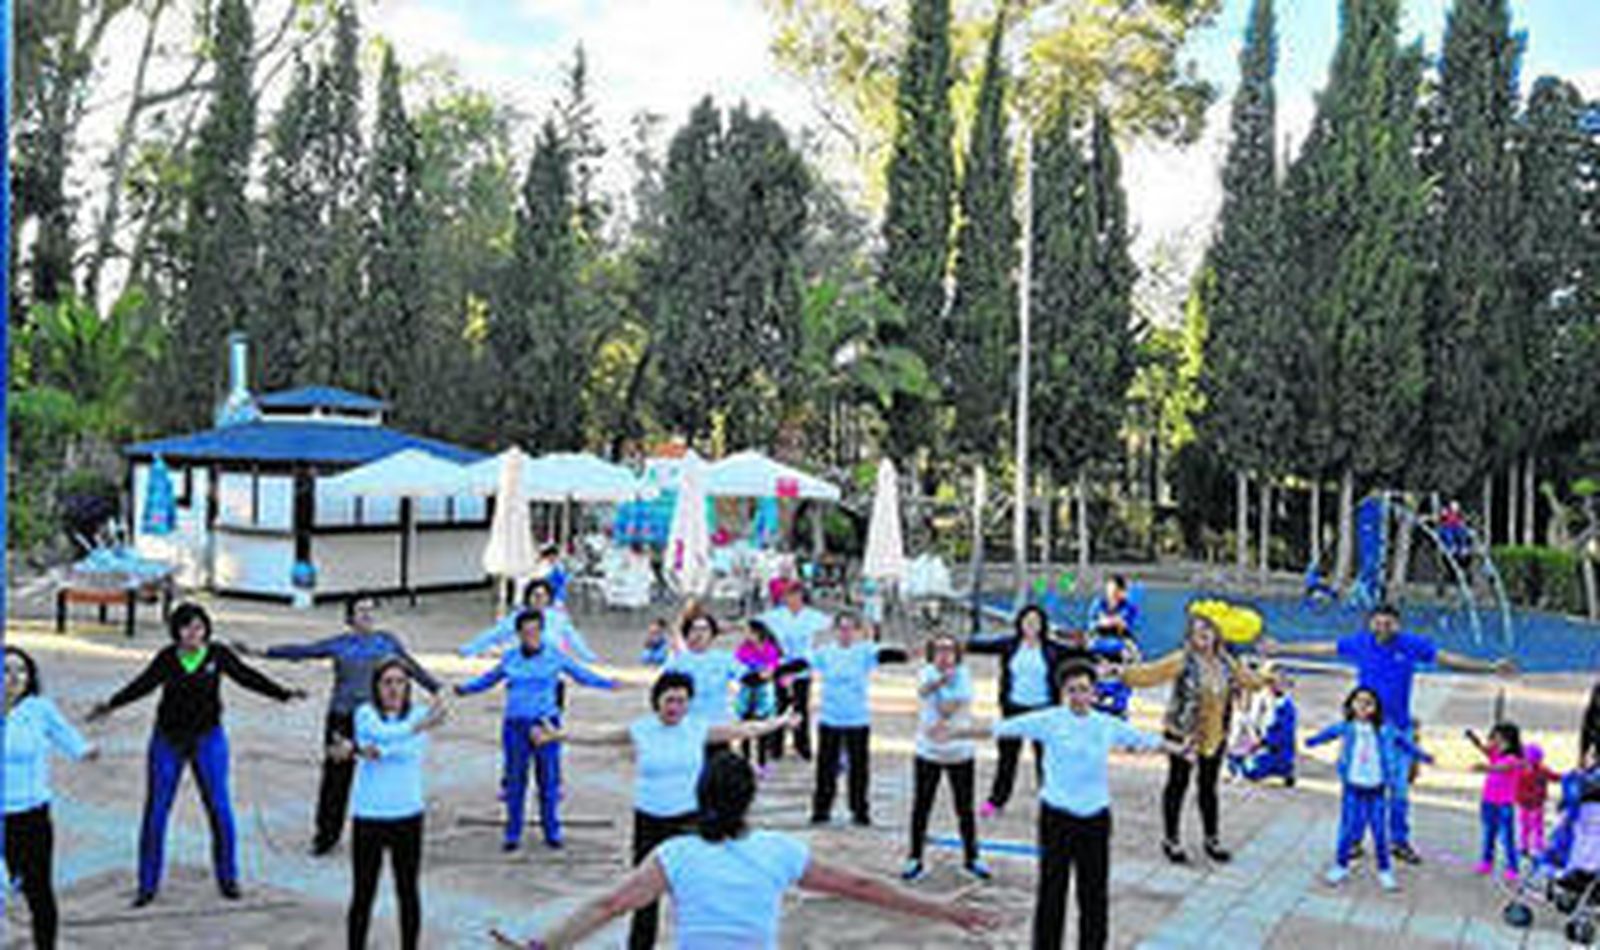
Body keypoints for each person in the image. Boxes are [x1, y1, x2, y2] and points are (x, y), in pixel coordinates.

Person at [490, 753, 998, 949]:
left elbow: (608, 905)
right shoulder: (777, 852)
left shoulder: (677, 854)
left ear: (700, 796)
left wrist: (543, 947)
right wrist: (942, 910)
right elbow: (860, 886)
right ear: (749, 799)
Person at [542, 672, 798, 950]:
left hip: (689, 822)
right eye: (670, 700)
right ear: (657, 701)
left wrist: (780, 722)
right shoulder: (641, 729)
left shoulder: (698, 729)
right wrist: (560, 734)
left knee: (693, 889)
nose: (675, 707)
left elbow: (744, 730)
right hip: (648, 821)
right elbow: (599, 736)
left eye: (682, 701)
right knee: (643, 896)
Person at [939, 662, 1171, 949]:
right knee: (1052, 891)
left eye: (1084, 689)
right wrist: (954, 732)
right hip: (1057, 818)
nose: (1078, 695)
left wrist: (1177, 749)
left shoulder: (1106, 724)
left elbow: (1144, 740)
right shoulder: (1049, 720)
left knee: (1093, 894)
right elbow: (1002, 728)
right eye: (1071, 690)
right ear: (1063, 692)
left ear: (1094, 693)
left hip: (1095, 819)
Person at [88, 602, 306, 906]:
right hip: (168, 741)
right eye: (187, 627)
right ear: (176, 631)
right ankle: (147, 885)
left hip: (208, 740)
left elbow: (246, 676)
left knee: (220, 810)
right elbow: (143, 685)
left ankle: (228, 879)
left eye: (200, 627)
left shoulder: (217, 654)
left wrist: (283, 693)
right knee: (156, 813)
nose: (194, 633)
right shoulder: (167, 658)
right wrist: (111, 704)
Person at [1265, 602, 1516, 864]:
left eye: (1388, 623)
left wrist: (1489, 667)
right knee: (1359, 788)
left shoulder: (1410, 645)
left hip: (1397, 731)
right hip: (1364, 731)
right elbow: (1322, 648)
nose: (1383, 628)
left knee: (1398, 791)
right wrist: (1282, 648)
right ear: (1370, 623)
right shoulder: (1360, 643)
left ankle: (1399, 841)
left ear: (1398, 624)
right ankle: (1353, 841)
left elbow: (1447, 658)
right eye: (1378, 622)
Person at [236, 594, 444, 856]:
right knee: (336, 779)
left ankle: (385, 832)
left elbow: (409, 666)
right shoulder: (339, 644)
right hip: (342, 717)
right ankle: (326, 836)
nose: (367, 615)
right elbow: (302, 652)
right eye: (361, 611)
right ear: (350, 618)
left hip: (375, 720)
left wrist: (435, 688)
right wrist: (261, 651)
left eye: (371, 610)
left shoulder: (387, 641)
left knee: (382, 772)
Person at [454, 608, 617, 850]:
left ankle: (551, 831)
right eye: (525, 631)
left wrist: (607, 683)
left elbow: (580, 674)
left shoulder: (554, 655)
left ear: (542, 631)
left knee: (548, 780)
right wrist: (466, 689)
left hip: (546, 725)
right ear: (518, 634)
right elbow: (489, 678)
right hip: (515, 726)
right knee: (515, 781)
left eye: (535, 630)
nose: (531, 635)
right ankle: (513, 833)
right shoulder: (510, 658)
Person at [1123, 608, 1269, 864]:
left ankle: (1212, 839)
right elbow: (1149, 674)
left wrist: (1269, 678)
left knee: (1208, 788)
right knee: (1177, 785)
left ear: (1216, 634)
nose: (1203, 635)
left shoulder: (1225, 661)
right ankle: (1171, 840)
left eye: (1208, 630)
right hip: (1184, 734)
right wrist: (1119, 673)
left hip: (1215, 734)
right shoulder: (1182, 660)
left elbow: (1247, 680)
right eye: (1197, 630)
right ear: (1190, 635)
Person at [342, 658, 450, 950]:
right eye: (387, 682)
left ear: (408, 686)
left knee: (408, 892)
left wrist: (379, 747)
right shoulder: (364, 714)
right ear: (376, 686)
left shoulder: (417, 714)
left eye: (400, 682)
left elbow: (394, 749)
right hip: (369, 816)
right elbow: (379, 739)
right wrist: (418, 728)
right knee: (363, 894)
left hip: (407, 815)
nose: (393, 689)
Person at [5, 646, 99, 948]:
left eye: (21, 670)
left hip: (31, 815)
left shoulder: (39, 709)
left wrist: (84, 750)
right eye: (5, 670)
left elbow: (66, 735)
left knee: (39, 891)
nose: (14, 677)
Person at [1306, 686, 1431, 892]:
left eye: (1369, 703)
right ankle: (1340, 865)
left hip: (1376, 791)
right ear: (1351, 705)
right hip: (1353, 789)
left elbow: (1405, 743)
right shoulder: (1347, 727)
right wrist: (1312, 741)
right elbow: (1328, 733)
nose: (1363, 706)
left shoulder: (1385, 729)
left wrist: (1423, 756)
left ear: (1375, 708)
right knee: (1347, 830)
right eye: (1359, 701)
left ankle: (1384, 870)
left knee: (1379, 832)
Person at [966, 605, 1082, 817]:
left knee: (1046, 761)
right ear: (1020, 623)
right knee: (1007, 760)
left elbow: (1081, 654)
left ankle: (1052, 802)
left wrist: (1109, 656)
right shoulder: (1010, 645)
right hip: (1014, 710)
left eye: (1036, 622)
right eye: (1027, 621)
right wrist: (953, 645)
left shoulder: (1052, 649)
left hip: (1044, 713)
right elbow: (981, 646)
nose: (1031, 626)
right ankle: (996, 801)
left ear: (1042, 625)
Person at [902, 633, 989, 883]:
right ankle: (914, 857)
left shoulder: (964, 675)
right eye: (939, 649)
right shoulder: (926, 672)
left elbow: (947, 708)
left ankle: (972, 857)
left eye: (949, 650)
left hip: (960, 752)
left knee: (964, 808)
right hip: (927, 751)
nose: (944, 655)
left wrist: (939, 688)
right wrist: (939, 683)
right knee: (922, 806)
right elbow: (923, 690)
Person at [809, 612, 908, 826]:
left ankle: (860, 810)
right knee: (826, 768)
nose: (845, 633)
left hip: (857, 719)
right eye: (841, 628)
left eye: (850, 628)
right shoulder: (825, 653)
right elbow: (802, 664)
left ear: (858, 632)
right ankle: (821, 810)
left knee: (859, 770)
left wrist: (911, 653)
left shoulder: (865, 651)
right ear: (834, 631)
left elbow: (889, 655)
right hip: (830, 718)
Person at [759, 581, 831, 760]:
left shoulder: (812, 616)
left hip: (802, 667)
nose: (792, 598)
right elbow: (757, 624)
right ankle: (775, 746)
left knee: (801, 706)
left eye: (796, 594)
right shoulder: (777, 616)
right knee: (779, 704)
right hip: (781, 665)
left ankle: (802, 744)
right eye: (788, 595)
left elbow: (830, 626)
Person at [664, 610, 745, 755]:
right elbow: (664, 694)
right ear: (687, 633)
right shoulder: (677, 662)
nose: (699, 633)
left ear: (712, 634)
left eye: (705, 629)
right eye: (695, 629)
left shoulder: (725, 659)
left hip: (718, 729)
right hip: (688, 729)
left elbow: (748, 677)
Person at [459, 579, 598, 663]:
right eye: (535, 595)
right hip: (525, 660)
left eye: (543, 596)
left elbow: (573, 637)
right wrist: (471, 648)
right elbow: (495, 634)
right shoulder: (519, 616)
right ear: (528, 597)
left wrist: (587, 655)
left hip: (551, 660)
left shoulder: (558, 618)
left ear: (549, 598)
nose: (539, 599)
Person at [1467, 722, 1525, 880]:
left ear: (1507, 739)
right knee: (1488, 833)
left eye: (1496, 738)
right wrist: (1474, 740)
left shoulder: (1514, 759)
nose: (1493, 741)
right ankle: (1487, 861)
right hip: (1488, 801)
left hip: (1504, 803)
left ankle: (1512, 867)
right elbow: (1485, 750)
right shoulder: (1496, 753)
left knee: (1507, 837)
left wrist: (1484, 768)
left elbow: (1502, 768)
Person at [1228, 665, 1298, 786]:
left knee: (1252, 770)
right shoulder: (1264, 697)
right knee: (1237, 756)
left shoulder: (1285, 706)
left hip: (1275, 750)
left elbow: (1282, 733)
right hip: (1263, 743)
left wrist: (1261, 742)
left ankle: (1280, 770)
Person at [733, 619, 783, 771]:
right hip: (746, 689)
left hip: (763, 690)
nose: (746, 635)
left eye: (749, 631)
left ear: (758, 632)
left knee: (762, 725)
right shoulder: (743, 648)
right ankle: (745, 759)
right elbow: (736, 666)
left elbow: (772, 669)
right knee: (745, 725)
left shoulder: (770, 648)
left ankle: (762, 761)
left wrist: (764, 671)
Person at [1516, 743, 1561, 858]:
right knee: (1532, 825)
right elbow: (1554, 777)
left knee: (1530, 825)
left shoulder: (1524, 770)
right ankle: (1531, 846)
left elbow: (1554, 777)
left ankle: (1529, 846)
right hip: (1531, 802)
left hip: (1531, 802)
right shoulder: (1527, 770)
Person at [1086, 575, 1139, 641]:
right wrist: (1101, 622)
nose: (1110, 593)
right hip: (1098, 634)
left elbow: (1127, 625)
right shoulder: (1098, 603)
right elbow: (1091, 623)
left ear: (1122, 591)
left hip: (1120, 637)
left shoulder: (1131, 607)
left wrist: (1117, 622)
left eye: (1115, 590)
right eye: (1109, 589)